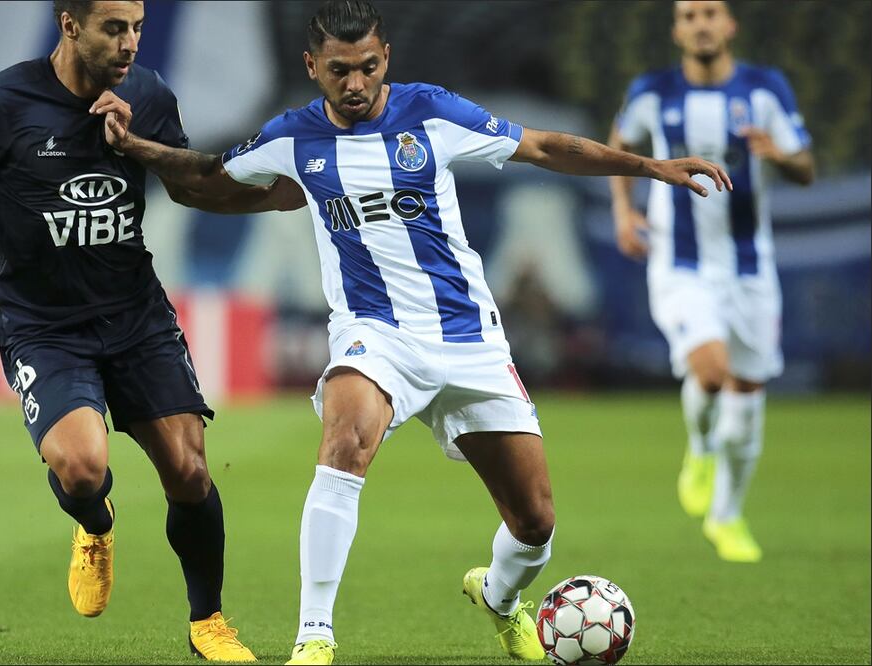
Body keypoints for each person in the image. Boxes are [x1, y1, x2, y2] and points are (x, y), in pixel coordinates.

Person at [84, 1, 730, 662]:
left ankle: (500, 598)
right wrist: (138, 151)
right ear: (312, 67)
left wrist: (648, 167)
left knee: (534, 523)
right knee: (344, 442)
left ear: (384, 57)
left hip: (468, 340)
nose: (355, 83)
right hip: (374, 334)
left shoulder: (431, 112)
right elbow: (210, 178)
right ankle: (314, 637)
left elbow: (543, 146)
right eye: (339, 71)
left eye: (367, 67)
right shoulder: (292, 136)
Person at [0, 1, 303, 661]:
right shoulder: (0, 101)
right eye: (114, 27)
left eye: (137, 26)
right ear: (69, 25)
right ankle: (95, 524)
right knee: (83, 469)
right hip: (43, 327)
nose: (130, 42)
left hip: (134, 315)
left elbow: (186, 185)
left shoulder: (146, 93)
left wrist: (260, 191)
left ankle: (208, 624)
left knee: (190, 471)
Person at [608, 0, 814, 563]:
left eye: (710, 13)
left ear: (729, 25)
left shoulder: (766, 89)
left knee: (747, 394)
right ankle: (700, 449)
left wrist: (780, 156)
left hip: (750, 267)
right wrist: (624, 212)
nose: (701, 23)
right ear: (677, 29)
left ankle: (728, 515)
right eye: (690, 14)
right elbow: (619, 145)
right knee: (712, 371)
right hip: (681, 263)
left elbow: (806, 168)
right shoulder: (652, 90)